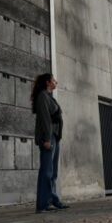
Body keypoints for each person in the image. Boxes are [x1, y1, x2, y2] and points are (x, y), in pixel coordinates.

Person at [32, 73, 69, 213]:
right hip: (49, 137)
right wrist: (47, 139)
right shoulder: (42, 96)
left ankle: (52, 200)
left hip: (54, 136)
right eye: (54, 80)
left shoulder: (48, 97)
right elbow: (45, 119)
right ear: (48, 82)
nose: (56, 82)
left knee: (52, 172)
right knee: (46, 171)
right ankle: (42, 204)